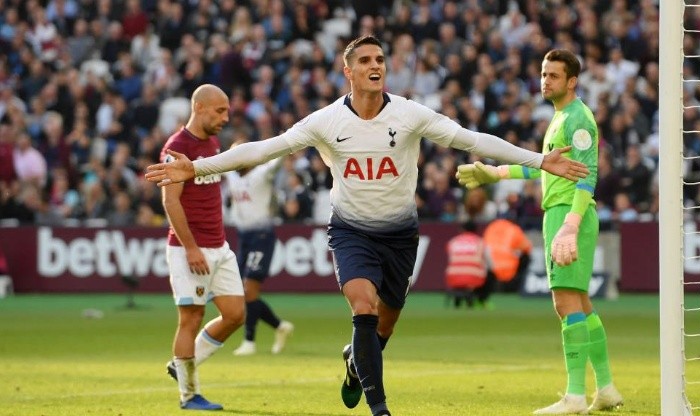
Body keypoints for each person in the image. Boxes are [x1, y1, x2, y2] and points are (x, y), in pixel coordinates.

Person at [145, 36, 588, 416]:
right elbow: (263, 150)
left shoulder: (411, 114)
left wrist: (539, 159)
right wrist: (199, 169)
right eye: (365, 61)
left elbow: (472, 140)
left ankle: (356, 363)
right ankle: (381, 409)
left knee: (384, 326)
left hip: (399, 235)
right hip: (351, 230)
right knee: (363, 308)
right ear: (348, 71)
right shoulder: (326, 121)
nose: (375, 66)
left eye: (380, 60)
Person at [456, 49, 623, 414]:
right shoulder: (561, 116)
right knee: (580, 304)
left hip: (567, 214)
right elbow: (544, 168)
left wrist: (569, 224)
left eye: (554, 75)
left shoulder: (577, 119)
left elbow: (586, 175)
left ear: (572, 81)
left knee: (564, 303)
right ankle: (606, 388)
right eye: (544, 74)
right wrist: (496, 173)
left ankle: (575, 396)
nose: (545, 80)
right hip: (562, 213)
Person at [160, 84, 245, 411]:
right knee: (191, 317)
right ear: (199, 107)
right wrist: (191, 248)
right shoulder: (176, 147)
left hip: (219, 246)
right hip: (189, 249)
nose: (226, 116)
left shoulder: (211, 143)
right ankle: (189, 394)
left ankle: (180, 364)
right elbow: (170, 201)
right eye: (220, 110)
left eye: (227, 110)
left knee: (236, 315)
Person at [224, 141, 294, 356]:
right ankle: (280, 326)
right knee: (243, 292)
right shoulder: (233, 176)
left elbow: (277, 161)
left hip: (261, 236)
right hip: (243, 237)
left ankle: (249, 342)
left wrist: (288, 140)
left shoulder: (262, 173)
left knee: (249, 289)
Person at [444, 220, 489, 309]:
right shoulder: (480, 242)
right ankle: (481, 300)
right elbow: (488, 261)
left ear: (462, 229)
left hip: (453, 277)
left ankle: (458, 298)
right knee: (488, 273)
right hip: (475, 278)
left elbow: (450, 260)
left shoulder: (453, 242)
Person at [483, 215, 532, 294]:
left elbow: (484, 247)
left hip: (492, 269)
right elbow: (528, 247)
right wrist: (515, 251)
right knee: (526, 257)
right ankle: (520, 284)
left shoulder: (491, 227)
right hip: (510, 269)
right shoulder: (514, 229)